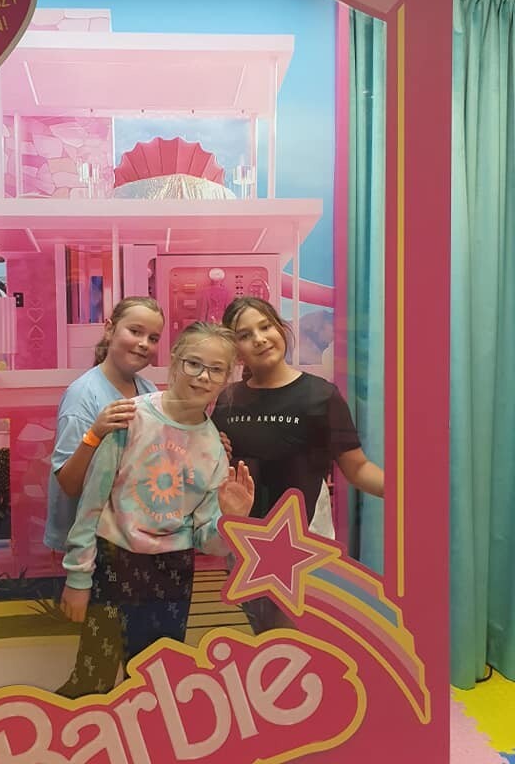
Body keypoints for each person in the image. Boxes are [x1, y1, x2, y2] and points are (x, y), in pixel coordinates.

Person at [58, 322, 254, 697]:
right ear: (175, 362)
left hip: (172, 571)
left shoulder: (215, 448)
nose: (203, 376)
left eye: (216, 369)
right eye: (194, 363)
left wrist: (231, 520)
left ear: (226, 378)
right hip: (114, 561)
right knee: (93, 679)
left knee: (155, 684)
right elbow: (91, 503)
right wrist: (78, 578)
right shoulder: (130, 417)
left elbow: (208, 541)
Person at [211, 296, 384, 632]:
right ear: (235, 349)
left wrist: (406, 491)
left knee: (296, 640)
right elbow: (217, 469)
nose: (259, 339)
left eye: (265, 327)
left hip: (304, 546)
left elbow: (358, 468)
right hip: (246, 546)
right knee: (265, 637)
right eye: (245, 335)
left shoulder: (322, 395)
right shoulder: (227, 400)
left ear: (281, 329)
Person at [44, 296, 165, 555]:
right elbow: (69, 484)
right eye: (135, 331)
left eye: (153, 338)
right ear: (110, 329)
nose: (144, 343)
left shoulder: (148, 391)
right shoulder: (82, 397)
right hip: (90, 546)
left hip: (132, 536)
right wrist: (95, 433)